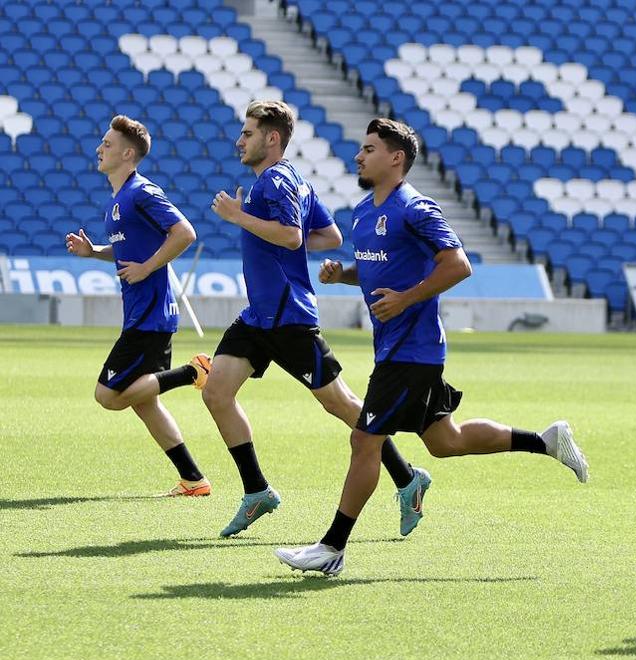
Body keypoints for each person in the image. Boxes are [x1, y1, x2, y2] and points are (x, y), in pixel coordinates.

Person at [274, 118, 588, 576]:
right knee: (446, 441)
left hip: (413, 350)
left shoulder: (416, 208)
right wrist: (344, 275)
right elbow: (381, 269)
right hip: (395, 349)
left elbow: (458, 265)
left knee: (364, 439)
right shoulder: (363, 212)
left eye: (369, 149)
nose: (359, 156)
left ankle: (331, 548)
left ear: (395, 158)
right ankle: (546, 441)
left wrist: (408, 298)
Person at [204, 101, 427, 538]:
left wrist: (238, 217)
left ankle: (408, 478)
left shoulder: (278, 180)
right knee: (216, 391)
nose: (239, 141)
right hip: (258, 318)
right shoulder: (290, 182)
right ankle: (257, 491)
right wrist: (264, 226)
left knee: (340, 404)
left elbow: (290, 238)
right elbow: (329, 236)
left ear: (272, 138)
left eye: (248, 133)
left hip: (289, 318)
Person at [65, 115, 213, 497]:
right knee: (144, 403)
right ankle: (194, 479)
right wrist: (93, 251)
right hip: (144, 315)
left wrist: (148, 267)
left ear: (128, 153)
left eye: (108, 144)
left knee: (107, 396)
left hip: (149, 317)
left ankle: (191, 372)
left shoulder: (142, 193)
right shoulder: (119, 200)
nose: (100, 149)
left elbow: (185, 233)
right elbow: (129, 249)